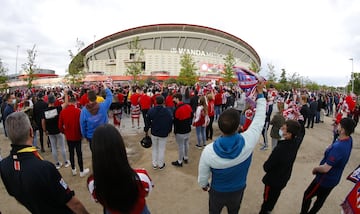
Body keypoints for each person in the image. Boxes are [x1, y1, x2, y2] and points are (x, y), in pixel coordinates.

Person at [197, 80, 266, 214]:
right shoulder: (249, 140)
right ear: (238, 127)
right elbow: (260, 119)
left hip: (217, 191)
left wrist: (204, 186)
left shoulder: (208, 151)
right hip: (238, 189)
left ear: (221, 128)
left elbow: (203, 176)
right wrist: (261, 94)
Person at [0, 112, 89, 214]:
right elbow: (74, 204)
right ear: (31, 132)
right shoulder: (45, 168)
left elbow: (15, 194)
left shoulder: (4, 166)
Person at [87, 124, 154, 214]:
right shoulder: (141, 176)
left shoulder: (93, 182)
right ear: (121, 147)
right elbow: (147, 191)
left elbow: (97, 199)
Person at [300, 117, 355, 214]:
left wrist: (315, 169)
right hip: (334, 178)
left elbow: (325, 168)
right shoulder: (349, 139)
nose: (337, 126)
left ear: (342, 130)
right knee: (321, 199)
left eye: (339, 125)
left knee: (307, 195)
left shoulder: (338, 148)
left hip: (324, 179)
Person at [259, 120, 301, 214]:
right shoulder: (295, 143)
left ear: (289, 134)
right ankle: (270, 209)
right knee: (275, 196)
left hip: (273, 180)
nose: (281, 129)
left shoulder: (280, 149)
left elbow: (267, 166)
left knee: (267, 199)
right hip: (284, 178)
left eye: (284, 128)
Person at [59, 95, 90, 177]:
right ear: (75, 102)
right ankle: (81, 170)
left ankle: (73, 169)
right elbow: (83, 124)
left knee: (71, 153)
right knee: (79, 153)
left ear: (69, 103)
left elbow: (60, 126)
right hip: (77, 135)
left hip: (69, 136)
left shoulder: (63, 112)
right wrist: (83, 134)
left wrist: (64, 132)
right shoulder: (78, 111)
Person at [80, 82, 112, 151]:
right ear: (96, 97)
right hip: (104, 134)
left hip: (91, 136)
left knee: (95, 155)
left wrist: (85, 135)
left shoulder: (84, 111)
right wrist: (105, 86)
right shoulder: (103, 106)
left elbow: (82, 125)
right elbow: (110, 96)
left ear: (88, 98)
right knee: (105, 153)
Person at [144, 95, 173, 170]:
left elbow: (147, 121)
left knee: (154, 148)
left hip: (154, 132)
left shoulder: (151, 110)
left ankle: (154, 163)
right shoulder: (167, 111)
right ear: (163, 102)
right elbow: (170, 121)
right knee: (161, 149)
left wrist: (147, 129)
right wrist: (169, 130)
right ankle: (160, 164)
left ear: (156, 101)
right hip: (163, 132)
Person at [42, 93, 70, 169]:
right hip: (58, 130)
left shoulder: (44, 111)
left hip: (50, 131)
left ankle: (57, 163)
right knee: (62, 147)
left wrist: (45, 130)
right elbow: (66, 103)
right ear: (54, 101)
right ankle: (65, 162)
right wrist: (66, 93)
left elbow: (43, 122)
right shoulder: (57, 109)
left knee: (54, 147)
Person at [171, 93, 193, 167]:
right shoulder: (188, 106)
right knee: (186, 143)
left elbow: (176, 122)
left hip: (180, 130)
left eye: (174, 98)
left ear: (177, 98)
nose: (172, 100)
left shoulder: (177, 109)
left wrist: (175, 131)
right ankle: (185, 157)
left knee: (181, 146)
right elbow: (191, 116)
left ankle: (180, 161)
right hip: (188, 128)